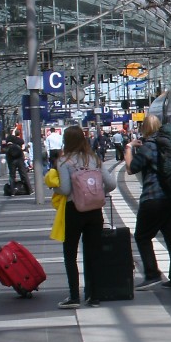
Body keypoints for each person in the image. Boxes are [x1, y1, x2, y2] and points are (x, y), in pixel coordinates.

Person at [125, 114, 171, 290]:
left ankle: (152, 274)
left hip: (153, 198)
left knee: (142, 236)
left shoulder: (148, 146)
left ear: (144, 128)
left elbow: (131, 169)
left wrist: (129, 148)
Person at [55, 124, 110, 309]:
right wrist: (96, 192)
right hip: (95, 211)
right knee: (93, 253)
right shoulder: (94, 159)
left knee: (70, 253)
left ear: (66, 141)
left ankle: (73, 296)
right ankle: (94, 296)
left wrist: (53, 188)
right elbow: (111, 183)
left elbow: (64, 189)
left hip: (74, 210)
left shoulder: (64, 162)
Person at [0, 128, 32, 193]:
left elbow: (2, 149)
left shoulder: (5, 140)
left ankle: (12, 191)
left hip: (11, 159)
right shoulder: (16, 139)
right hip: (19, 158)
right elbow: (22, 143)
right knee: (23, 174)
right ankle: (29, 190)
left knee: (12, 175)